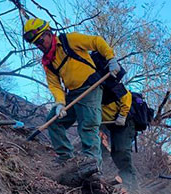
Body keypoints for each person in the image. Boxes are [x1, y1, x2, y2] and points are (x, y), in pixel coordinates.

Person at [23, 18, 120, 166]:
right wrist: (60, 104)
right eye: (36, 44)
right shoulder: (48, 62)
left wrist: (110, 58)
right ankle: (65, 157)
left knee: (88, 125)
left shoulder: (70, 40)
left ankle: (92, 165)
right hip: (73, 94)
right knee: (54, 122)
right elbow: (55, 85)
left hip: (91, 88)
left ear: (49, 34)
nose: (39, 46)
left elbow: (96, 41)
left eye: (40, 41)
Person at [100, 90, 138, 188]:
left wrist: (123, 115)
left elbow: (127, 95)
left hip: (125, 122)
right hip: (109, 123)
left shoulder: (109, 85)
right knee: (113, 152)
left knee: (121, 151)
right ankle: (98, 172)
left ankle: (131, 185)